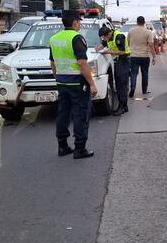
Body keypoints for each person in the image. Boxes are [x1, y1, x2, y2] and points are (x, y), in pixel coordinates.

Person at [49, 10, 98, 159]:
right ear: (75, 22)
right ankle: (79, 148)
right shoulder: (77, 38)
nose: (80, 24)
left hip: (62, 82)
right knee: (80, 114)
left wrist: (58, 78)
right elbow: (82, 63)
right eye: (79, 22)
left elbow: (52, 63)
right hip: (77, 83)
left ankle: (62, 146)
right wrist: (92, 84)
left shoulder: (54, 39)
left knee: (63, 113)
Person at [97, 26, 130, 116]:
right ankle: (124, 106)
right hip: (117, 63)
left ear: (108, 34)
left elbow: (122, 51)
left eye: (104, 37)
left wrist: (108, 52)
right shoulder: (108, 37)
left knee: (121, 86)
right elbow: (102, 45)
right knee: (119, 85)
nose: (104, 39)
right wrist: (97, 49)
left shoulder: (119, 36)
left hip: (123, 61)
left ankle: (122, 107)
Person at [127, 16, 155, 97]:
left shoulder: (131, 31)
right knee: (145, 73)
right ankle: (144, 90)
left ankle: (132, 88)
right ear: (144, 22)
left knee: (133, 73)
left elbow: (128, 42)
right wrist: (154, 56)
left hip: (133, 56)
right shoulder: (148, 32)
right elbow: (151, 45)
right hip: (144, 56)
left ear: (137, 22)